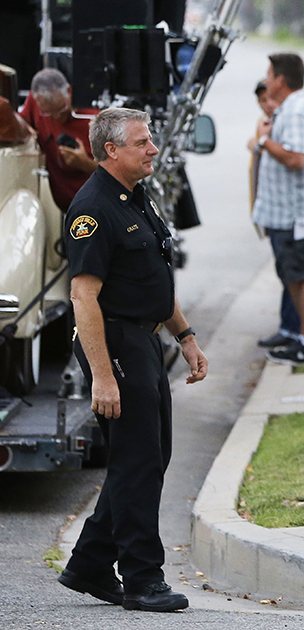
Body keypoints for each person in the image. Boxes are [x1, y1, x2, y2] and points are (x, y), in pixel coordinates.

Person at [58, 108, 208, 612]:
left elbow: (153, 278)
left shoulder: (134, 196)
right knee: (138, 460)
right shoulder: (92, 209)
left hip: (145, 341)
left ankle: (89, 564)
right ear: (111, 151)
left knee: (147, 458)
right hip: (115, 343)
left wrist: (184, 335)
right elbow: (84, 298)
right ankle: (143, 579)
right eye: (142, 142)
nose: (152, 149)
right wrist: (103, 375)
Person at [253, 53, 304, 365]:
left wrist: (264, 141)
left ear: (281, 80)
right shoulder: (293, 108)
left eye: (269, 75)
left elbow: (296, 158)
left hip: (298, 215)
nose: (267, 80)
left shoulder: (297, 111)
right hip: (289, 214)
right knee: (296, 276)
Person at [248, 80, 302, 350]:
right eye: (261, 101)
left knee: (292, 273)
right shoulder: (266, 124)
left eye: (269, 99)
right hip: (271, 209)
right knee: (286, 271)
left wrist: (261, 140)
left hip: (289, 213)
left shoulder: (286, 123)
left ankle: (294, 330)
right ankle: (290, 327)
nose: (266, 105)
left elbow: (292, 158)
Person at [18, 68, 98, 212]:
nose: (57, 118)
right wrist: (26, 129)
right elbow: (20, 122)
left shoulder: (94, 116)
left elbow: (122, 173)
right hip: (66, 206)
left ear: (68, 90)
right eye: (48, 113)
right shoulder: (35, 102)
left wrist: (86, 164)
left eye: (62, 110)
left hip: (98, 207)